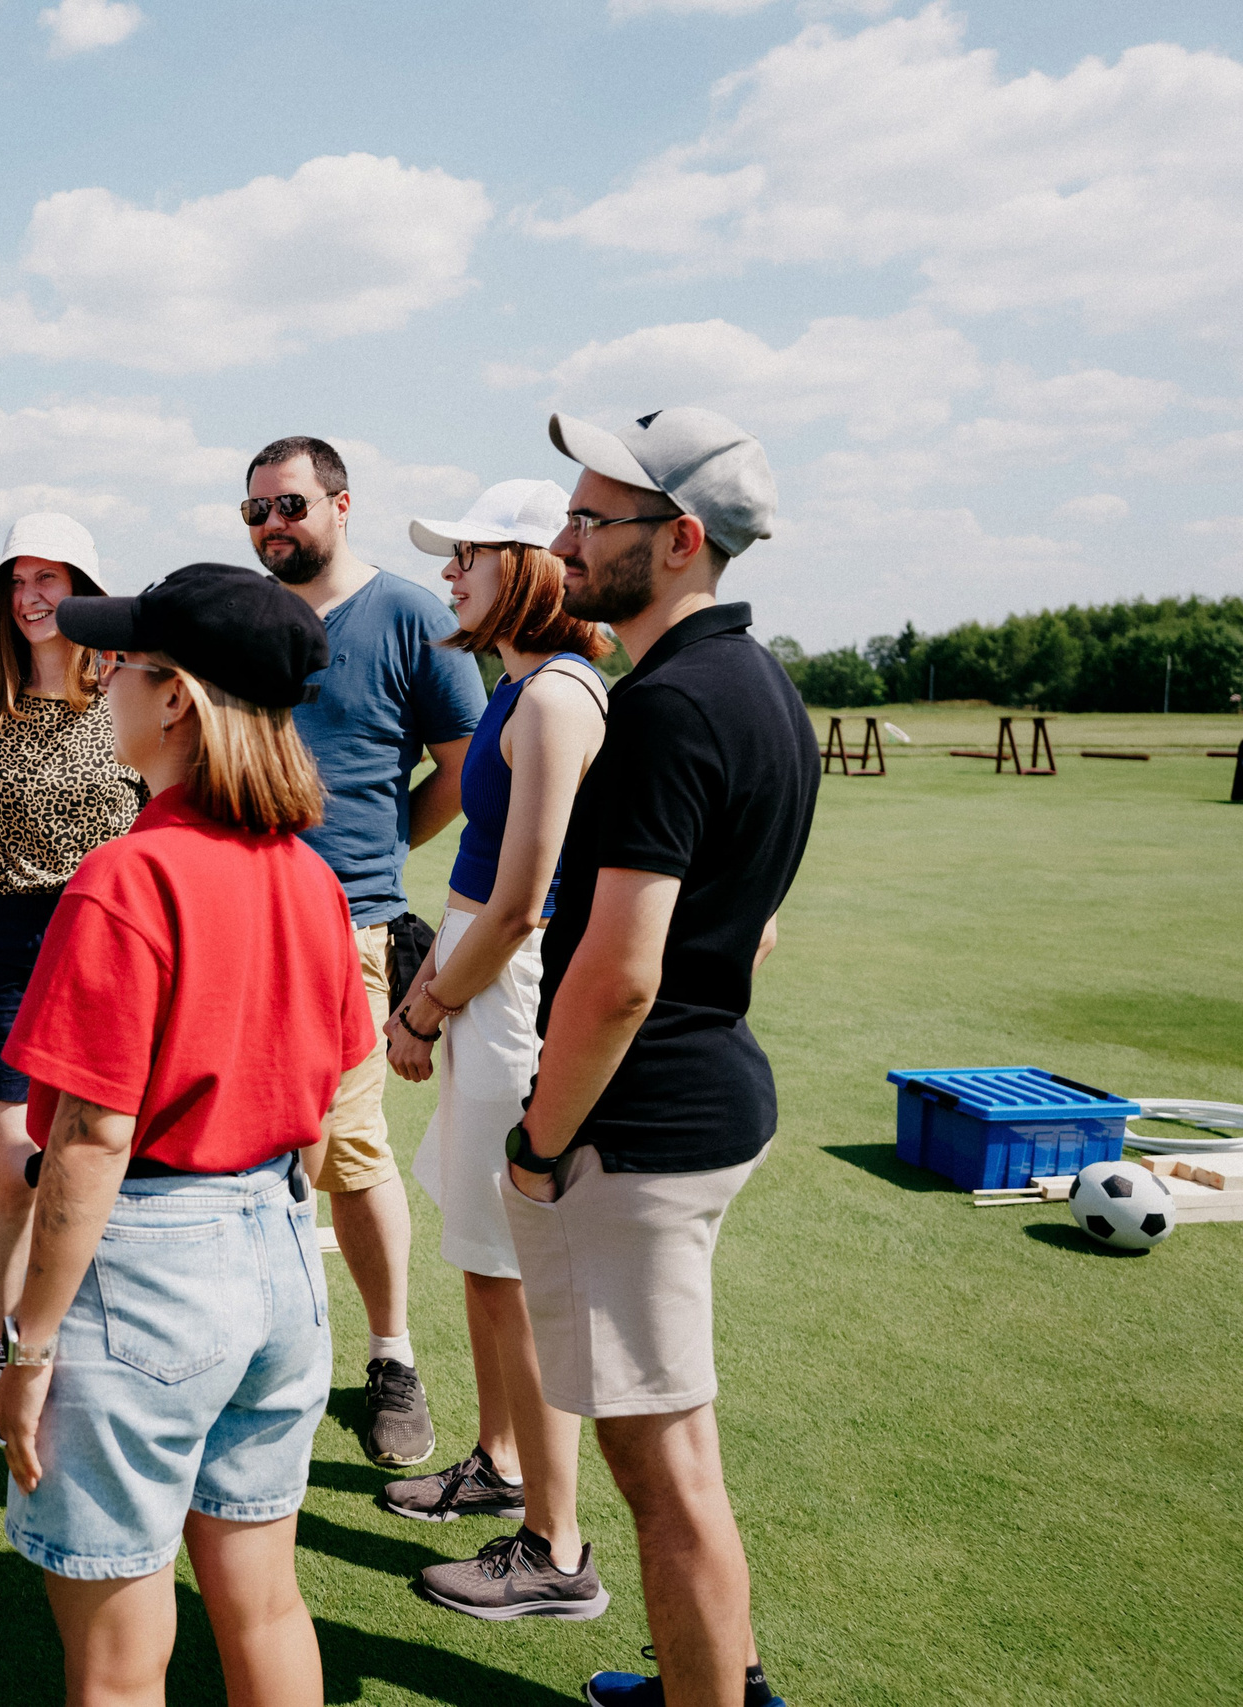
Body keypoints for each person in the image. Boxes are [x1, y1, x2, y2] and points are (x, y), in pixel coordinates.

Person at [0, 563, 371, 1707]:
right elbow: (323, 1101)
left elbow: (91, 1141)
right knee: (262, 1603)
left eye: (123, 663)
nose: (100, 680)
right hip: (279, 1258)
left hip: (151, 1268)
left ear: (175, 701)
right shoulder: (313, 878)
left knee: (116, 1667)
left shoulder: (127, 876)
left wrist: (27, 1344)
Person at [506, 408, 810, 1707]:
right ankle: (721, 1680)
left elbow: (620, 973)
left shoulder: (670, 705)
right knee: (682, 1443)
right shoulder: (763, 685)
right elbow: (758, 929)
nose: (565, 538)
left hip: (633, 1138)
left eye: (593, 518)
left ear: (680, 540)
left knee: (663, 1473)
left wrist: (537, 1141)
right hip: (708, 1102)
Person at [371, 480, 616, 1624]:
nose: (451, 573)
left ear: (528, 568)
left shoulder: (558, 697)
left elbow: (521, 905)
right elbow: (476, 889)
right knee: (481, 1254)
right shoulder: (517, 690)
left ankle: (553, 1549)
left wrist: (424, 1011)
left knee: (515, 1266)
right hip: (478, 980)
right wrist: (427, 989)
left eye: (470, 553)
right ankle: (502, 1466)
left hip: (510, 995)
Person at [244, 434, 486, 1468]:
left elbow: (468, 767)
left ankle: (390, 1357)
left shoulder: (411, 615)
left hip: (348, 926)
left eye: (290, 505)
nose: (271, 526)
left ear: (343, 506)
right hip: (241, 922)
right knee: (246, 1146)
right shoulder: (249, 622)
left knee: (347, 1149)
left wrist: (384, 850)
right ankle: (260, 1356)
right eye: (255, 510)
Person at [0, 511, 146, 1437]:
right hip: (15, 943)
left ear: (84, 591)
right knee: (15, 1167)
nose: (31, 596)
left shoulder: (134, 698)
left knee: (101, 1156)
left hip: (112, 942)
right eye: (18, 581)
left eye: (50, 578)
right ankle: (4, 1336)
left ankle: (82, 1335)